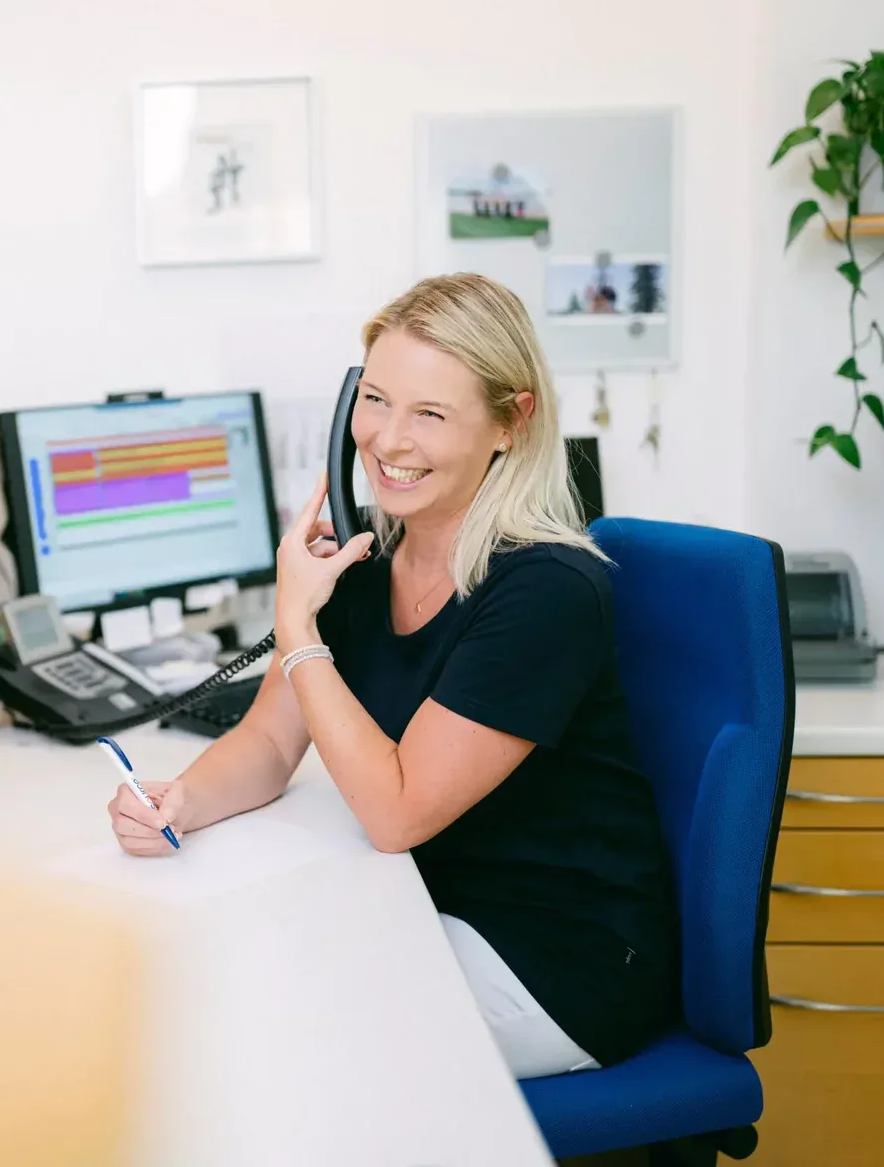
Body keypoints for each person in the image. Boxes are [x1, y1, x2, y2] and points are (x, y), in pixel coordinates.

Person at [106, 273, 677, 1078]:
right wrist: (183, 800)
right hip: (428, 909)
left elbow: (397, 812)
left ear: (512, 423)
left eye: (431, 414)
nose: (387, 440)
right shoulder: (366, 563)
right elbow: (271, 739)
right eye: (374, 400)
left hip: (557, 961)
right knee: (203, 973)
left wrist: (297, 626)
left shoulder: (547, 590)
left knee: (257, 1046)